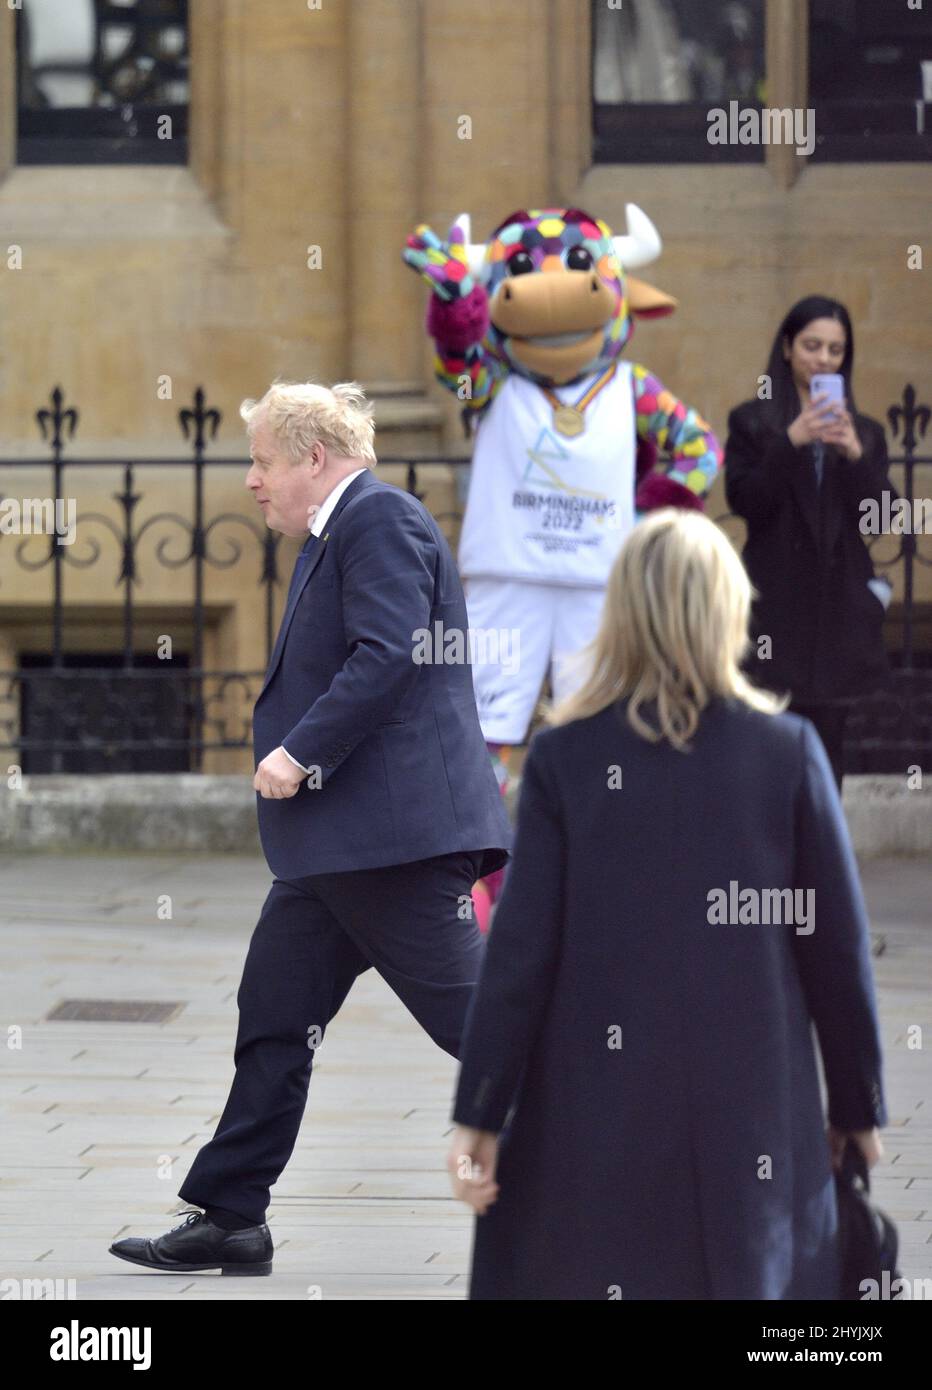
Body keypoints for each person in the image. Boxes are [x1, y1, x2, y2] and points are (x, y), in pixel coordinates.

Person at [109, 381, 511, 1276]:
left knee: (488, 1023)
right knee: (276, 1016)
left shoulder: (378, 520)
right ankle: (230, 1216)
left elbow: (390, 654)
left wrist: (298, 753)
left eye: (261, 460)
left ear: (312, 459)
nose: (252, 480)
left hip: (394, 843)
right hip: (339, 851)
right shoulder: (338, 532)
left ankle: (621, 1157)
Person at [446, 509, 886, 1301]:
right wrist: (857, 1106)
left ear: (623, 615)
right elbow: (836, 950)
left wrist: (480, 1111)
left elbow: (520, 953)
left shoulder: (565, 757)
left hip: (595, 1105)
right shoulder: (786, 753)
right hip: (751, 1106)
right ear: (728, 611)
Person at [724, 295, 894, 787]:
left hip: (837, 611)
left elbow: (880, 518)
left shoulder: (865, 432)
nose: (823, 359)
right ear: (787, 347)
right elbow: (746, 501)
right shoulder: (752, 422)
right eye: (812, 346)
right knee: (767, 743)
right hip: (777, 608)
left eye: (835, 350)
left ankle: (823, 856)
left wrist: (856, 454)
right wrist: (790, 442)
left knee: (828, 751)